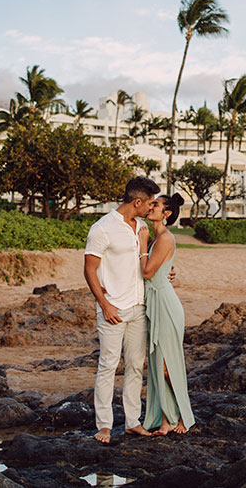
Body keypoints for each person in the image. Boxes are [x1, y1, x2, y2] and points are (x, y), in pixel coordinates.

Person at [83, 176, 160, 443]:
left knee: (136, 367)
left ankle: (131, 421)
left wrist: (165, 273)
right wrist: (104, 304)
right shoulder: (102, 228)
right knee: (108, 365)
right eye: (150, 203)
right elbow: (89, 269)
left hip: (138, 307)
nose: (151, 208)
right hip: (112, 308)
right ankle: (104, 425)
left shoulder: (141, 227)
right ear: (137, 202)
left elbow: (145, 263)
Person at [139, 193, 195, 435]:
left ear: (167, 213)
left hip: (165, 304)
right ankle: (164, 420)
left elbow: (148, 272)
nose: (151, 207)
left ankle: (184, 416)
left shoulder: (164, 238)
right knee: (156, 363)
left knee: (167, 365)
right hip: (155, 302)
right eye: (152, 203)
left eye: (156, 205)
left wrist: (142, 247)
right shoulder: (154, 238)